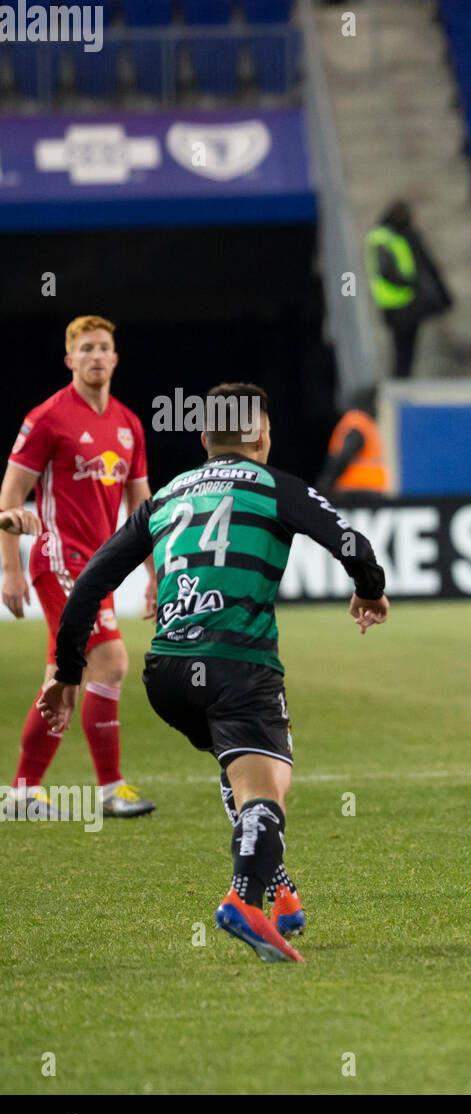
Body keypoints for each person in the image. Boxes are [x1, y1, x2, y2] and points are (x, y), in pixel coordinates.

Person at [37, 384, 390, 962]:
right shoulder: (278, 487)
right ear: (261, 435)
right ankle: (243, 899)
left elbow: (93, 581)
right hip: (237, 666)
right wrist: (369, 592)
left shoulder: (168, 494)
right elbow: (351, 542)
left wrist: (67, 671)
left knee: (242, 764)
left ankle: (282, 896)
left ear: (204, 438)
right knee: (265, 792)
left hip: (166, 674)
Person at [1, 315, 157, 822]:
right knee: (109, 660)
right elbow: (10, 496)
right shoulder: (47, 418)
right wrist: (11, 568)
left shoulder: (129, 424)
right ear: (70, 360)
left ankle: (24, 793)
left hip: (100, 568)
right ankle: (107, 788)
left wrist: (157, 573)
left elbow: (143, 509)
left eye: (103, 347)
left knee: (61, 673)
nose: (95, 355)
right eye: (85, 348)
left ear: (115, 358)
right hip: (58, 560)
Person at [365, 200, 454, 378]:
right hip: (396, 301)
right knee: (402, 347)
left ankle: (403, 381)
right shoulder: (383, 237)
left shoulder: (402, 234)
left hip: (407, 300)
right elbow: (386, 270)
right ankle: (400, 382)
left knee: (407, 346)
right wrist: (410, 282)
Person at [317, 389, 391, 501]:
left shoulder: (355, 422)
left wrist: (326, 483)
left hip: (355, 488)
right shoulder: (367, 423)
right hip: (373, 487)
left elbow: (344, 455)